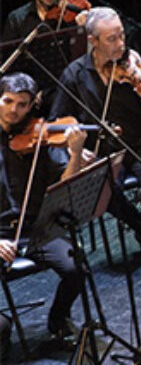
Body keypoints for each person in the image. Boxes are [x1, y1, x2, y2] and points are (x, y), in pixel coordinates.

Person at [51, 7, 141, 245]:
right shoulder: (74, 75)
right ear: (93, 41)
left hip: (139, 143)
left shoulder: (131, 66)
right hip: (102, 153)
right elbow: (57, 121)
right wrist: (73, 149)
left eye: (122, 36)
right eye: (112, 39)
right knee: (102, 191)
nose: (120, 44)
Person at [0, 73, 89, 354]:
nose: (14, 110)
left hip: (37, 227)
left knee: (76, 268)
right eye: (7, 101)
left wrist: (75, 154)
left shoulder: (42, 137)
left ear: (32, 106)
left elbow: (66, 185)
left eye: (22, 105)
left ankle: (58, 320)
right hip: (0, 235)